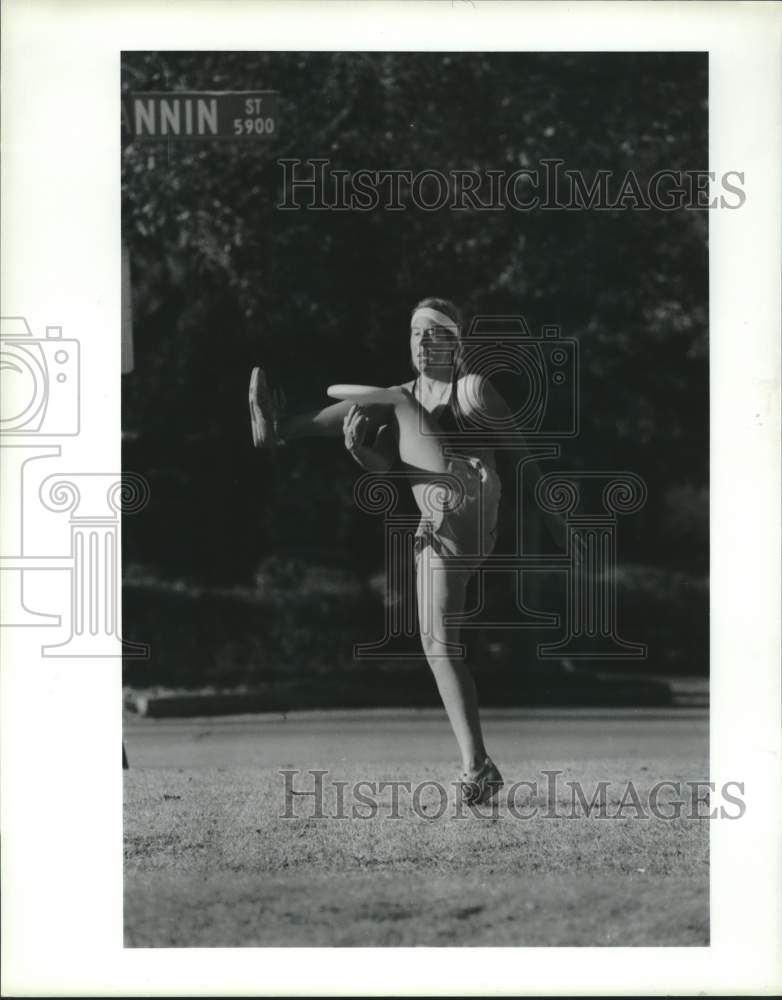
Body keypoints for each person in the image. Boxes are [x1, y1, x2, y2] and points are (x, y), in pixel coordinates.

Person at [249, 297, 550, 805]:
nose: (422, 342)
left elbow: (525, 457)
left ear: (458, 343)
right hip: (437, 526)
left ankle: (283, 428)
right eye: (415, 333)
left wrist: (562, 519)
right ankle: (479, 768)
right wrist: (358, 450)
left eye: (435, 334)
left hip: (473, 506)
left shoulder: (473, 390)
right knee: (437, 647)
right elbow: (385, 467)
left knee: (396, 401)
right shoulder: (402, 399)